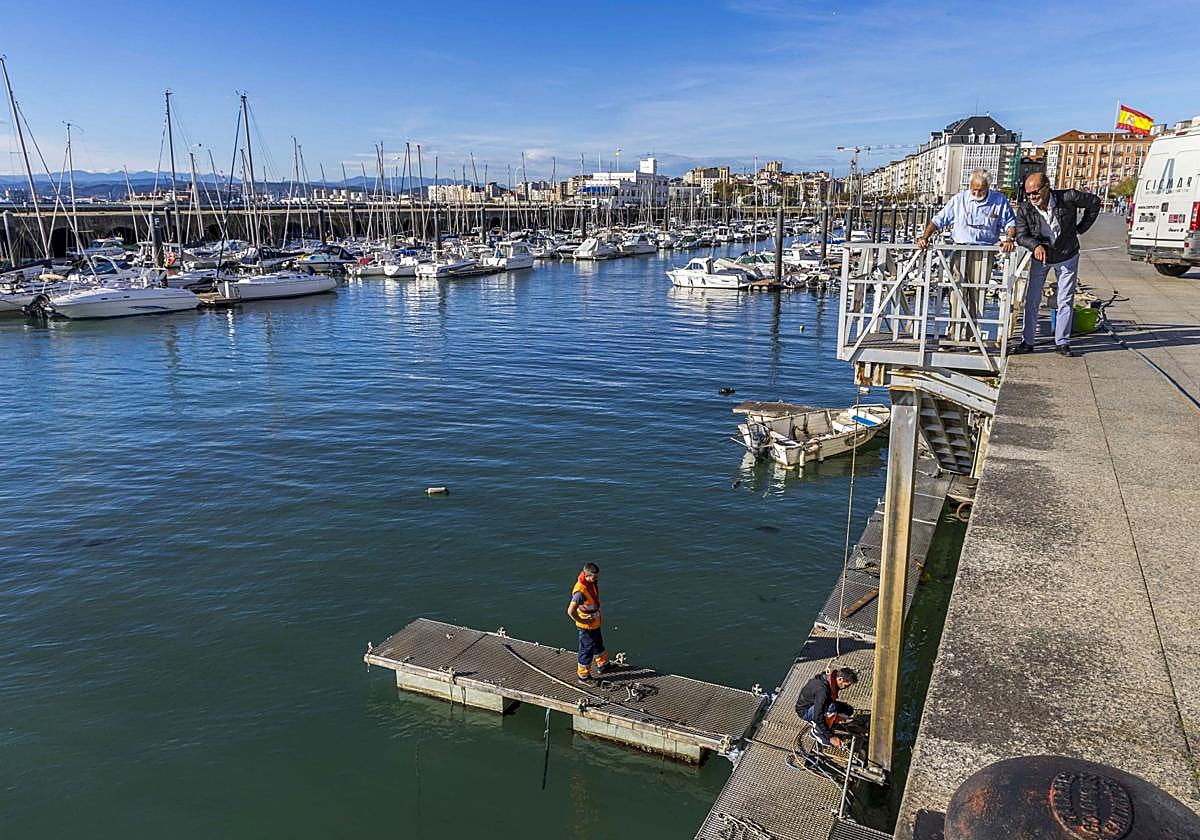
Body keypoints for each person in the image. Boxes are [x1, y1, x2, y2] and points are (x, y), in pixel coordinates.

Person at [1013, 173, 1101, 357]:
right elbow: (1021, 235)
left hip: (1067, 253)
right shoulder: (1025, 209)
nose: (1032, 197)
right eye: (1028, 194)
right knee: (1032, 300)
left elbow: (1094, 202)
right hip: (1041, 256)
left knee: (1065, 300)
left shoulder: (1068, 197)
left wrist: (1081, 228)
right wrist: (1034, 245)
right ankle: (1027, 341)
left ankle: (1062, 342)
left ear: (1047, 187)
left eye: (1035, 192)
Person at [916, 169, 1017, 252]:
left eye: (981, 190)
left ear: (988, 187)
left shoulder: (999, 200)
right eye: (974, 190)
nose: (977, 193)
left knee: (980, 277)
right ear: (970, 186)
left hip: (986, 250)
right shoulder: (959, 199)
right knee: (956, 276)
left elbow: (1010, 222)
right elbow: (939, 220)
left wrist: (1010, 239)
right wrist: (925, 237)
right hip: (960, 248)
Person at [795, 667, 858, 749]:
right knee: (832, 707)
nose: (847, 687)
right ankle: (817, 732)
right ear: (840, 679)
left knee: (848, 710)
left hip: (819, 704)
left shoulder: (830, 679)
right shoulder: (822, 691)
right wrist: (831, 737)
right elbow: (817, 716)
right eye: (846, 685)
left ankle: (830, 723)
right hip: (805, 711)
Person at [567, 562, 608, 683]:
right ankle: (583, 676)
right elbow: (570, 611)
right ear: (586, 575)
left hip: (594, 623)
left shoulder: (591, 582)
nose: (596, 579)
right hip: (586, 626)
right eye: (594, 577)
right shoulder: (580, 592)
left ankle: (603, 664)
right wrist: (582, 620)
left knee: (598, 644)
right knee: (586, 650)